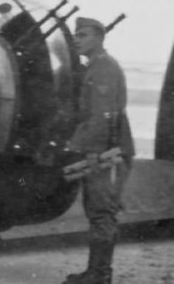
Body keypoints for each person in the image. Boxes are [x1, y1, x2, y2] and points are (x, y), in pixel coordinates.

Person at [61, 17, 134, 284]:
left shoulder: (103, 68)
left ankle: (100, 274)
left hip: (107, 151)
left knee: (102, 212)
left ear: (100, 38)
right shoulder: (96, 67)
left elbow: (103, 115)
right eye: (76, 35)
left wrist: (90, 151)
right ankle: (97, 272)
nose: (77, 40)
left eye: (83, 35)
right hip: (103, 149)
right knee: (98, 211)